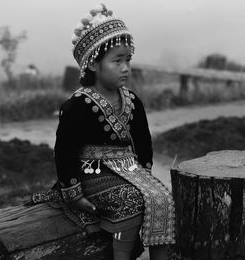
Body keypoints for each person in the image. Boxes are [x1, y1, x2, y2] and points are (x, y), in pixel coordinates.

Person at [31, 4, 175, 260]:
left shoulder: (132, 100)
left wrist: (144, 176)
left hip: (128, 170)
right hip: (90, 173)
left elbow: (143, 142)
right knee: (131, 199)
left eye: (128, 60)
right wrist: (73, 194)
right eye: (117, 61)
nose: (125, 68)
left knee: (162, 196)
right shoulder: (76, 105)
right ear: (93, 64)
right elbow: (64, 152)